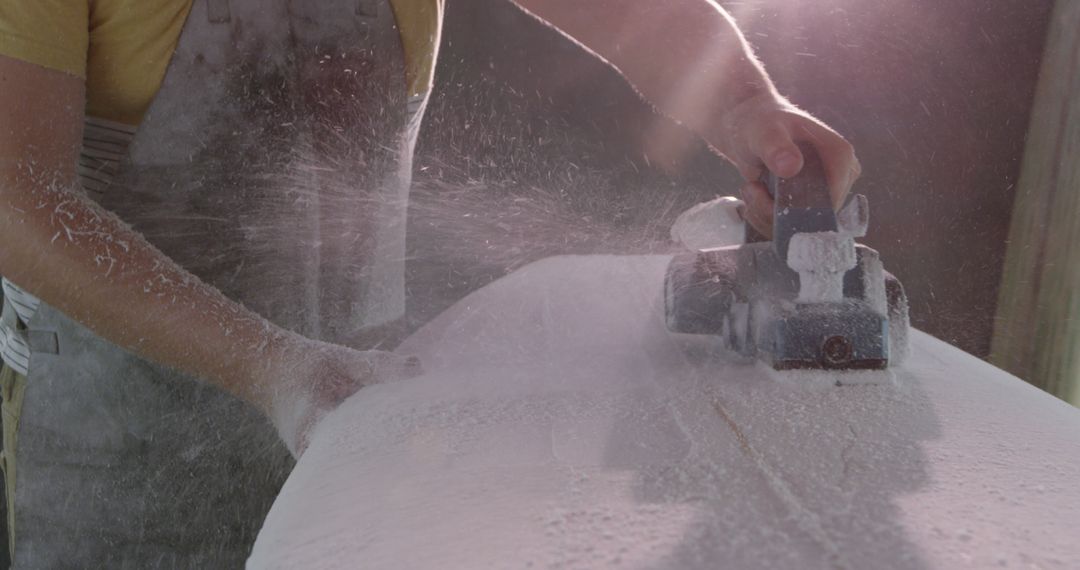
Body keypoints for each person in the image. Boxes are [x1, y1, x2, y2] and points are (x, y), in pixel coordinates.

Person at [0, 0, 860, 566]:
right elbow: (13, 194)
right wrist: (270, 365)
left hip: (354, 398)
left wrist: (745, 105)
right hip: (111, 431)